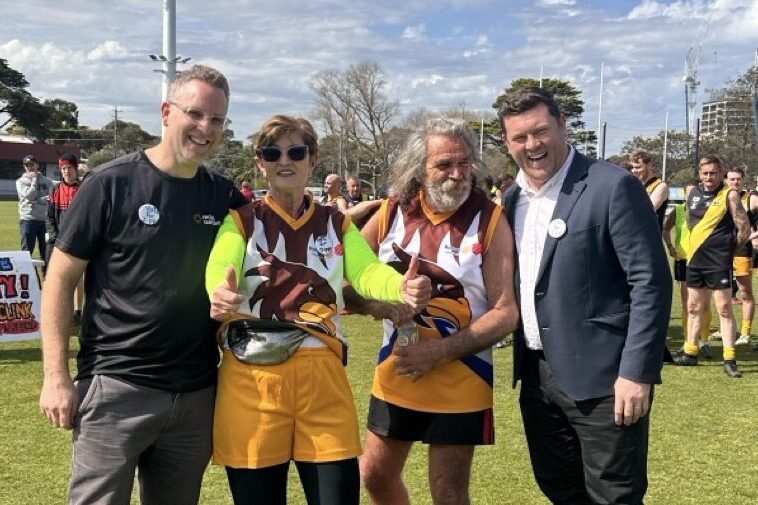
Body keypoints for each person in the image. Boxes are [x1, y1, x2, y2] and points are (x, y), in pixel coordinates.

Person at [38, 64, 248, 505]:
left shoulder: (222, 194)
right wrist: (55, 376)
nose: (205, 128)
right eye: (195, 114)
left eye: (217, 120)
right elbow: (59, 279)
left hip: (195, 394)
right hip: (116, 387)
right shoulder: (110, 183)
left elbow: (284, 232)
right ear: (166, 111)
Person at [205, 114, 431, 505]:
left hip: (322, 377)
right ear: (260, 162)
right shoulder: (240, 220)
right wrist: (217, 292)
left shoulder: (337, 223)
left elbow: (367, 272)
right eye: (272, 153)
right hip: (252, 380)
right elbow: (219, 265)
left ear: (313, 159)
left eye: (296, 151)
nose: (284, 160)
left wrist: (402, 287)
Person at [500, 87, 671, 505]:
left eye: (540, 131)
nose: (532, 145)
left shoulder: (613, 186)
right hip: (537, 378)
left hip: (605, 379)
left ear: (562, 124)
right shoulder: (510, 199)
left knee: (613, 496)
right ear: (508, 143)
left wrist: (636, 372)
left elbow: (650, 282)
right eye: (519, 138)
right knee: (560, 489)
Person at [345, 117, 519, 505]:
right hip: (398, 368)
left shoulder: (489, 219)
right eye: (444, 165)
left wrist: (438, 352)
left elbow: (506, 312)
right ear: (417, 169)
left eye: (464, 163)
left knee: (448, 492)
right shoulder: (392, 211)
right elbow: (344, 284)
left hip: (462, 375)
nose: (457, 175)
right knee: (373, 475)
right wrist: (383, 306)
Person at [674, 156, 750, 377]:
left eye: (714, 173)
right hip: (695, 260)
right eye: (705, 173)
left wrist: (729, 252)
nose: (709, 177)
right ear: (700, 174)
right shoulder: (691, 193)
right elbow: (690, 223)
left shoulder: (730, 194)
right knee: (694, 308)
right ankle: (690, 352)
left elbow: (743, 227)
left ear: (721, 173)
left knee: (724, 309)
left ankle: (729, 357)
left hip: (719, 263)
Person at [663, 180, 713, 357]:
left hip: (704, 259)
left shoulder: (708, 210)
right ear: (685, 194)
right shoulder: (678, 211)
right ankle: (688, 341)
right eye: (689, 192)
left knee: (705, 304)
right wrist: (670, 247)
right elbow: (665, 230)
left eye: (695, 192)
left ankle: (704, 341)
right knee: (688, 304)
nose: (692, 195)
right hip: (684, 260)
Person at [46, 153, 84, 325]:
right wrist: (54, 237)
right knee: (58, 278)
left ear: (75, 169)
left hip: (80, 240)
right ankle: (61, 311)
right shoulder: (54, 190)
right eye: (63, 169)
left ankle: (78, 312)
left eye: (69, 168)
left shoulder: (84, 188)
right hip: (59, 241)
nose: (66, 172)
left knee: (79, 278)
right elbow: (49, 217)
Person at [725, 167, 757, 345]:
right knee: (724, 293)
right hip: (723, 251)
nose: (735, 182)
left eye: (738, 179)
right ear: (726, 180)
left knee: (745, 292)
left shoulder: (751, 198)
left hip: (742, 252)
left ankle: (745, 333)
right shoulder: (723, 196)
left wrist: (752, 236)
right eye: (732, 179)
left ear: (743, 180)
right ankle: (727, 329)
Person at [16, 153, 53, 270]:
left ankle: (47, 281)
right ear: (24, 167)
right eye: (27, 165)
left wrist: (37, 201)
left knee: (47, 253)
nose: (30, 167)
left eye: (32, 164)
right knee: (26, 253)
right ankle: (26, 282)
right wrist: (34, 180)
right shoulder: (20, 181)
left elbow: (51, 198)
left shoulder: (48, 181)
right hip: (28, 220)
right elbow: (29, 196)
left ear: (37, 165)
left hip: (45, 221)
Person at [630, 150, 669, 230]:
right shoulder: (635, 185)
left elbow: (647, 211)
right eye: (632, 167)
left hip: (651, 238)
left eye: (638, 167)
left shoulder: (660, 186)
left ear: (649, 165)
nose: (634, 171)